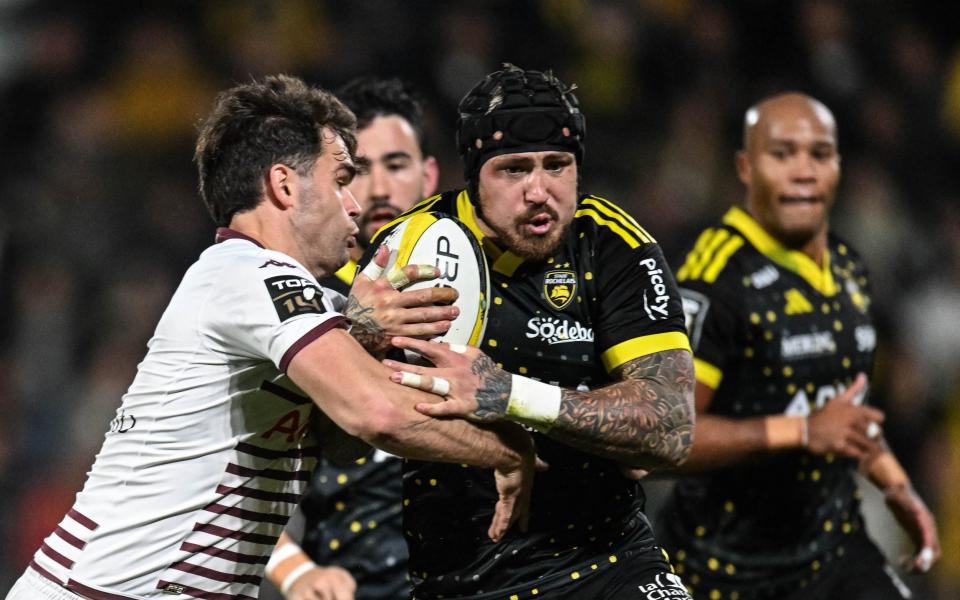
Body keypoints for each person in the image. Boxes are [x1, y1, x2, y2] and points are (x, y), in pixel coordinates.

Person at [5, 74, 538, 600]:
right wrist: (506, 450)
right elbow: (376, 415)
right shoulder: (248, 273)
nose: (355, 203)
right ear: (284, 185)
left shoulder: (298, 300)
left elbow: (346, 445)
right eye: (341, 178)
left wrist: (364, 338)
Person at [364, 64, 696, 599]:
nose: (539, 191)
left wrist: (508, 395)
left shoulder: (614, 246)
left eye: (557, 166)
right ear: (473, 176)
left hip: (608, 558)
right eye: (514, 170)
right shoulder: (414, 249)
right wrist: (358, 329)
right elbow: (355, 409)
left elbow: (673, 426)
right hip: (467, 578)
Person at [655, 92, 941, 599]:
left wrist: (896, 485)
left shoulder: (849, 267)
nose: (803, 171)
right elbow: (666, 438)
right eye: (782, 153)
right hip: (729, 571)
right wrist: (802, 430)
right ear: (746, 166)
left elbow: (842, 412)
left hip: (835, 549)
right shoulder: (714, 275)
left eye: (819, 153)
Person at [266, 77, 439, 600]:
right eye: (359, 170)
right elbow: (230, 462)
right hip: (348, 583)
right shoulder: (296, 302)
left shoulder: (481, 295)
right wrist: (297, 572)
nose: (380, 188)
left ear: (428, 175)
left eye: (396, 165)